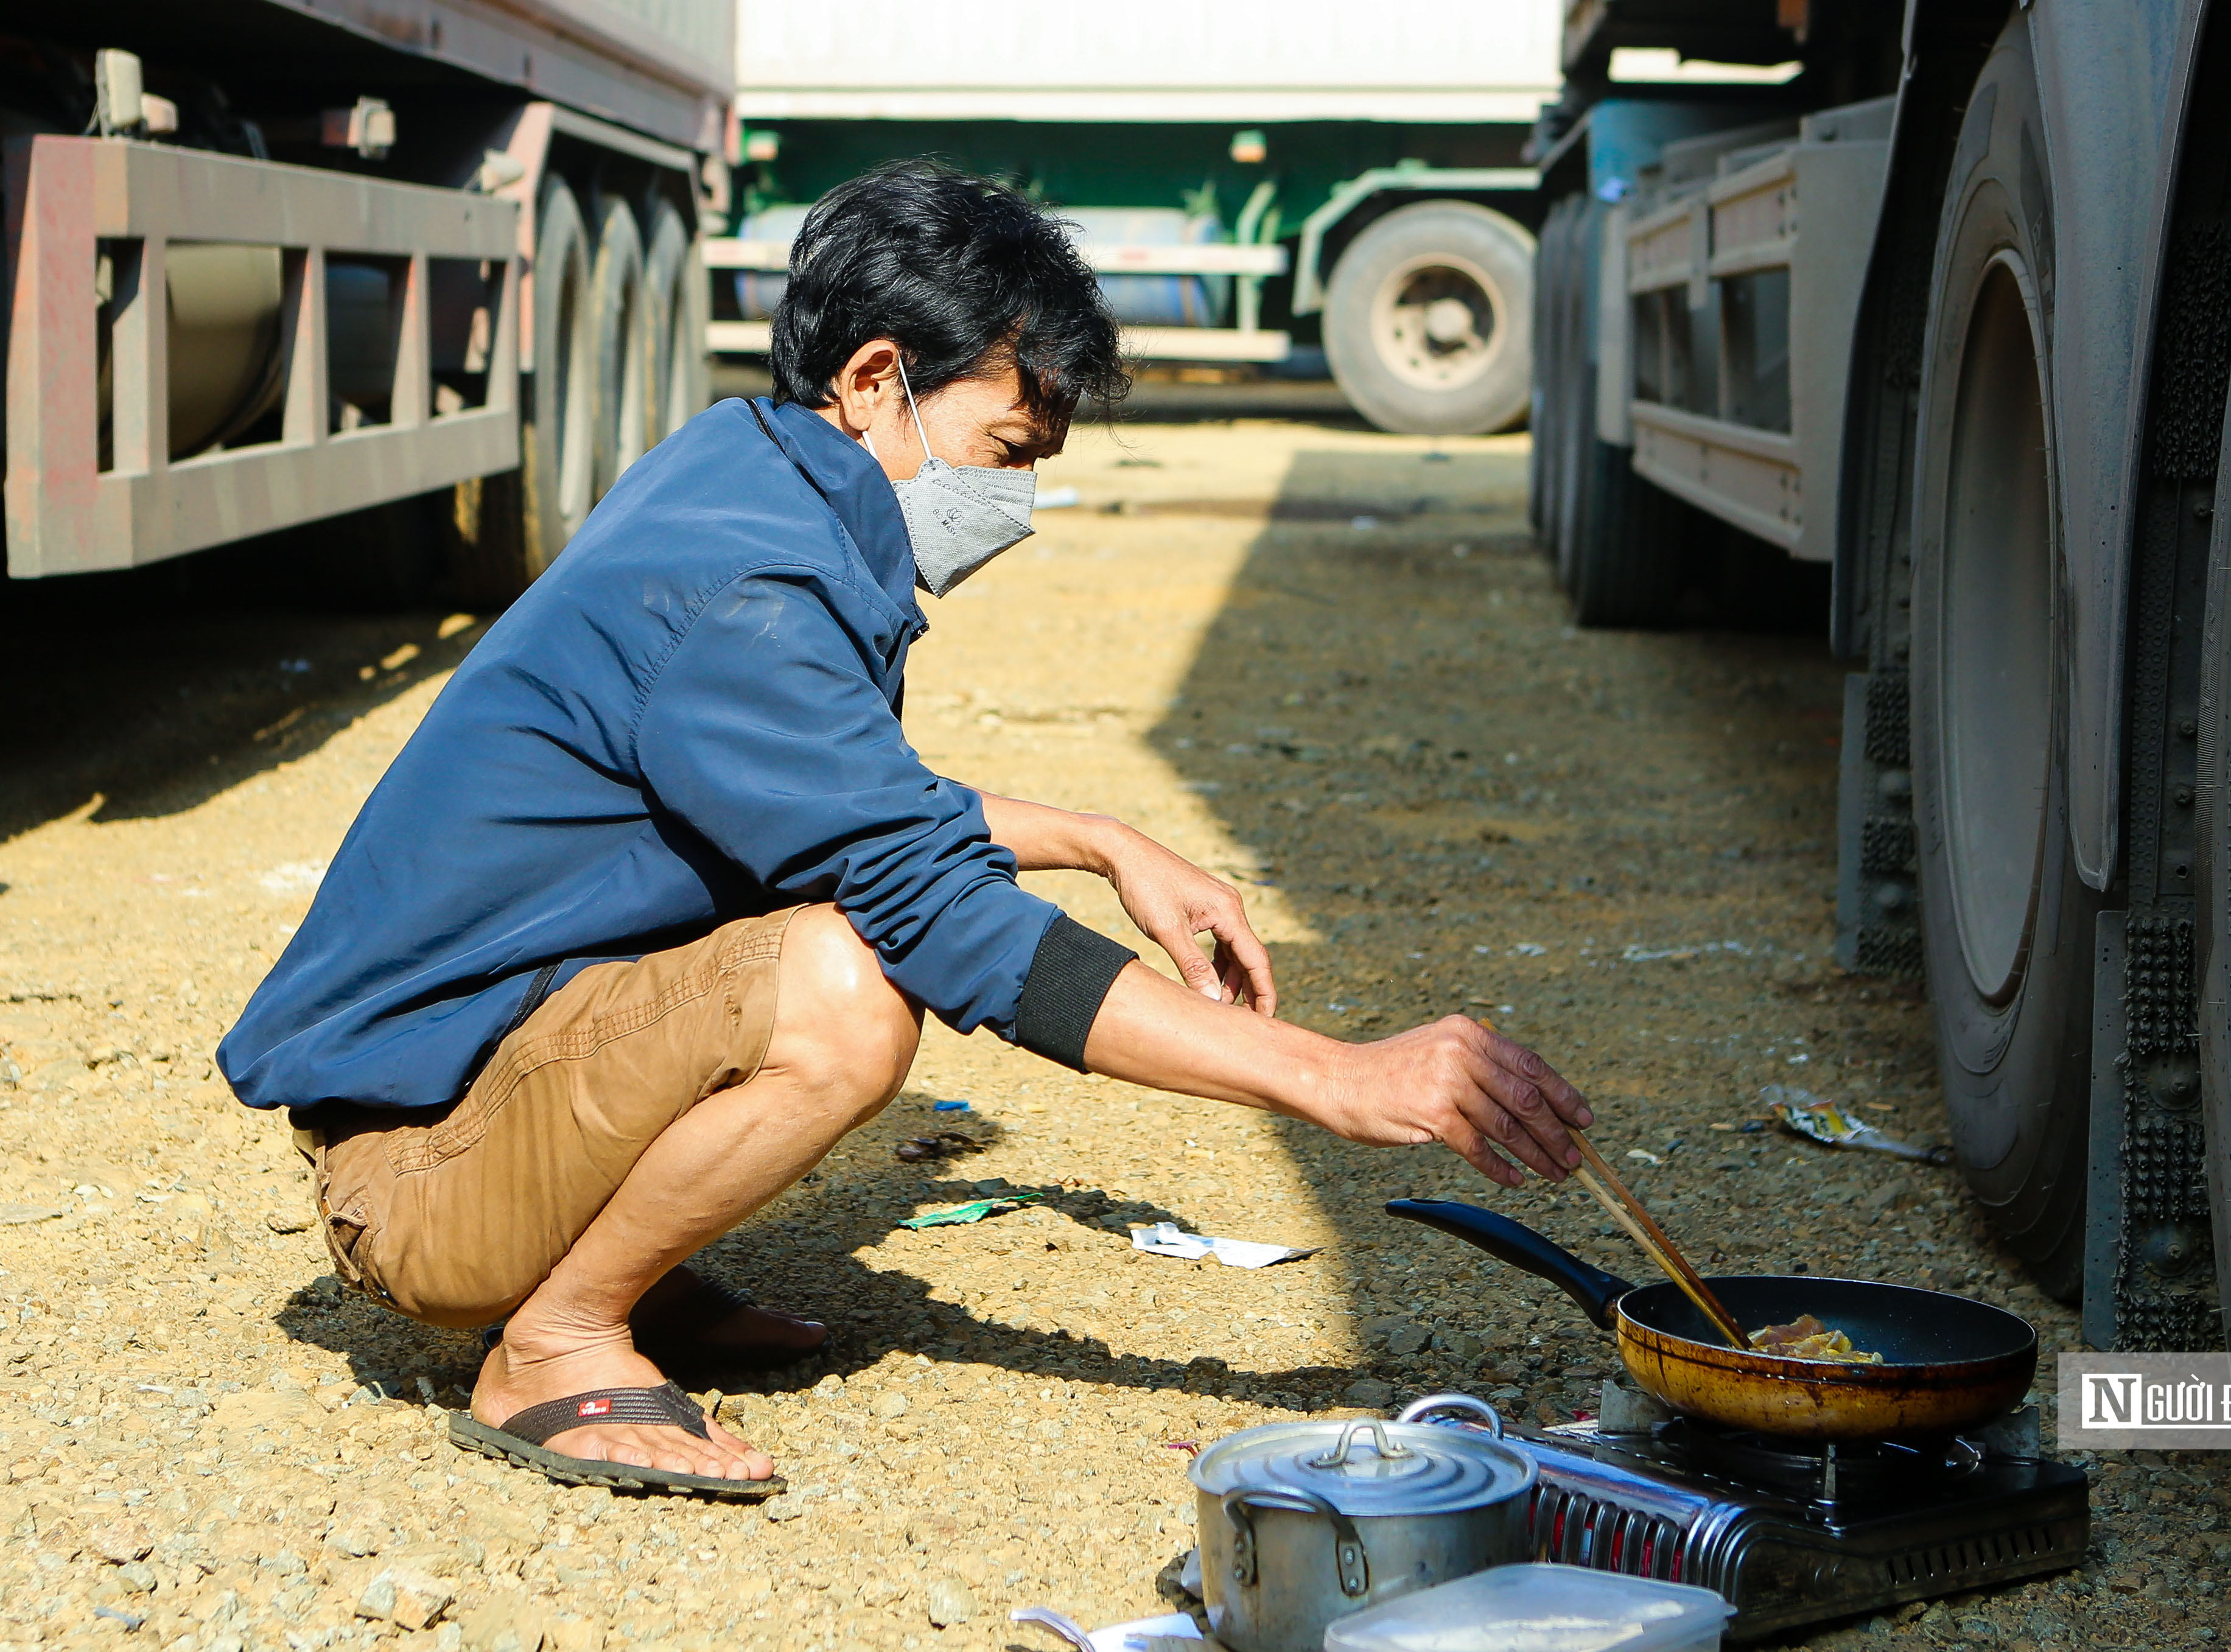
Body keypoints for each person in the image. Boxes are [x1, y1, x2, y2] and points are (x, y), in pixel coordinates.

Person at [220, 161, 1591, 1500]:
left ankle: (608, 1256)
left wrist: (1106, 837)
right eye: (1006, 451)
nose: (1013, 502)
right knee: (850, 989)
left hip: (476, 1095)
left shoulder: (741, 474)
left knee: (825, 933)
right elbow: (939, 912)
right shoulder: (750, 585)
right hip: (412, 1178)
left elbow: (839, 801)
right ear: (878, 380)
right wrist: (1333, 1080)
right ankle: (552, 1338)